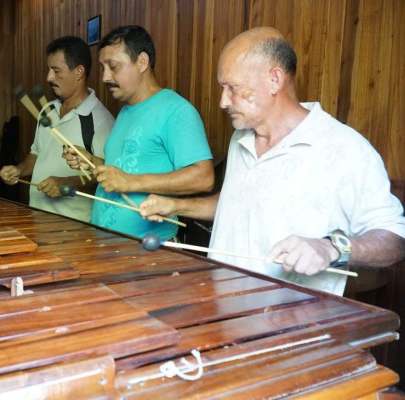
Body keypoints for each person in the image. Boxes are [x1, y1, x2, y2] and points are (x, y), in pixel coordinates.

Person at [139, 27, 405, 295]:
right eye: (222, 88)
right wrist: (175, 205)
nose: (222, 101)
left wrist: (331, 247)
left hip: (293, 326)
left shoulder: (345, 148)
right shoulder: (241, 138)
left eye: (233, 88)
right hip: (222, 310)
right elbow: (237, 203)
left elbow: (394, 238)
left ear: (274, 80)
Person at [64, 25, 215, 240]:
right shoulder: (126, 111)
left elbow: (204, 177)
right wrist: (91, 160)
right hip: (105, 247)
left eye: (113, 66)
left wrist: (131, 182)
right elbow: (124, 169)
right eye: (103, 67)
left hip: (149, 253)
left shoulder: (176, 111)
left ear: (142, 61)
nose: (106, 77)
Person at [0, 36, 114, 222]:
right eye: (49, 70)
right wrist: (19, 170)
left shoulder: (101, 121)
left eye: (56, 71)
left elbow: (104, 178)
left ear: (79, 72)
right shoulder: (47, 109)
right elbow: (36, 154)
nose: (49, 77)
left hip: (74, 228)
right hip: (37, 218)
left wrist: (65, 183)